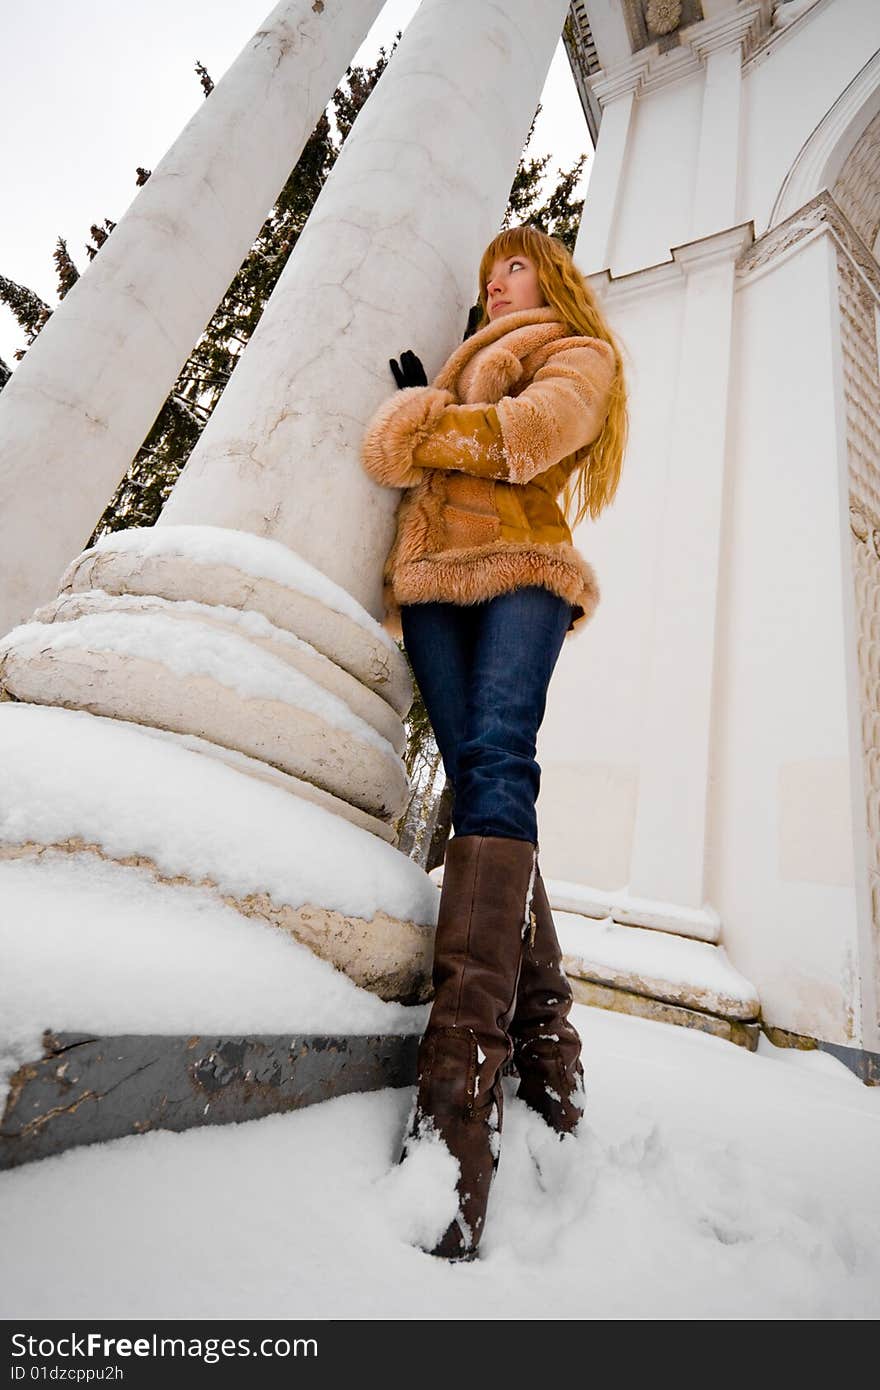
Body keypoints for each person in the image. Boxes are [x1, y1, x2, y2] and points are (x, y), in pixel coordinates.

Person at [360, 224, 628, 1261]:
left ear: (547, 276)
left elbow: (527, 438)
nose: (497, 283)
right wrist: (444, 400)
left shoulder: (577, 348)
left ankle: (459, 1087)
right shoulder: (464, 372)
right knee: (481, 782)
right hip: (432, 585)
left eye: (512, 266)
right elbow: (429, 453)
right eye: (489, 275)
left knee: (500, 761)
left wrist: (424, 417)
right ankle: (544, 1037)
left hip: (521, 568)